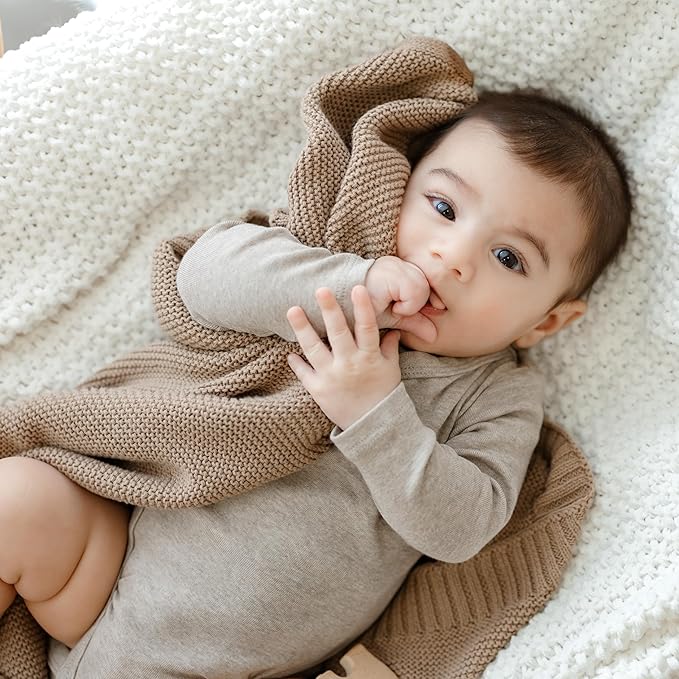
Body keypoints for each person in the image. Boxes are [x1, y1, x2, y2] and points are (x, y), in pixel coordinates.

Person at [0, 90, 631, 678]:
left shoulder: (495, 396)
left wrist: (375, 412)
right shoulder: (321, 254)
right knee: (17, 499)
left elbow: (464, 528)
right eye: (443, 209)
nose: (453, 256)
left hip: (234, 667)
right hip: (104, 574)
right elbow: (201, 276)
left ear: (546, 322)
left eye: (508, 258)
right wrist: (344, 283)